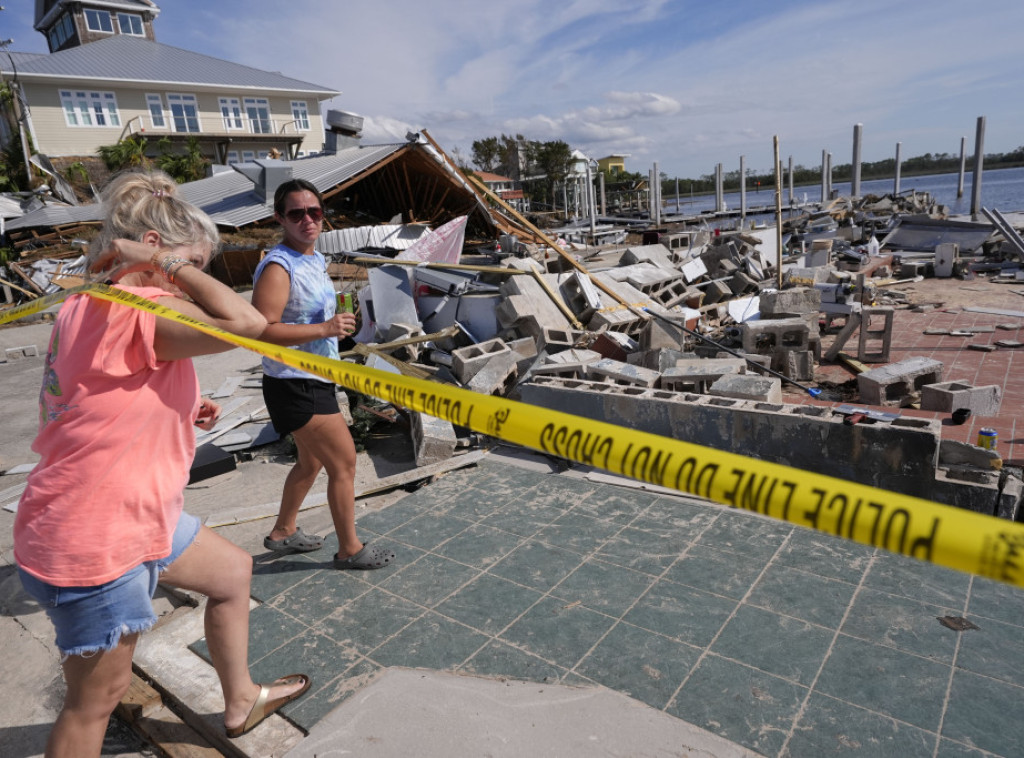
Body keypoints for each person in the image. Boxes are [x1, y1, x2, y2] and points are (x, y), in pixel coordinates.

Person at [13, 170, 311, 757]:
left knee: (229, 575)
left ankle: (240, 699)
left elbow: (88, 384)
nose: (195, 284)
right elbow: (251, 325)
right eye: (193, 265)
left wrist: (179, 401)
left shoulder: (87, 301)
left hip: (115, 509)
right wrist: (172, 269)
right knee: (93, 705)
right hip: (97, 535)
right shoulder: (144, 306)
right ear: (152, 253)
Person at [252, 178, 395, 570]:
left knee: (311, 462)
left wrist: (336, 329)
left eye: (314, 212)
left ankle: (283, 531)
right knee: (344, 463)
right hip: (293, 382)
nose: (307, 220)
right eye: (296, 213)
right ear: (279, 217)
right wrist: (324, 330)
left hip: (314, 376)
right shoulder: (279, 267)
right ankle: (350, 549)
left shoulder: (313, 259)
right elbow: (263, 330)